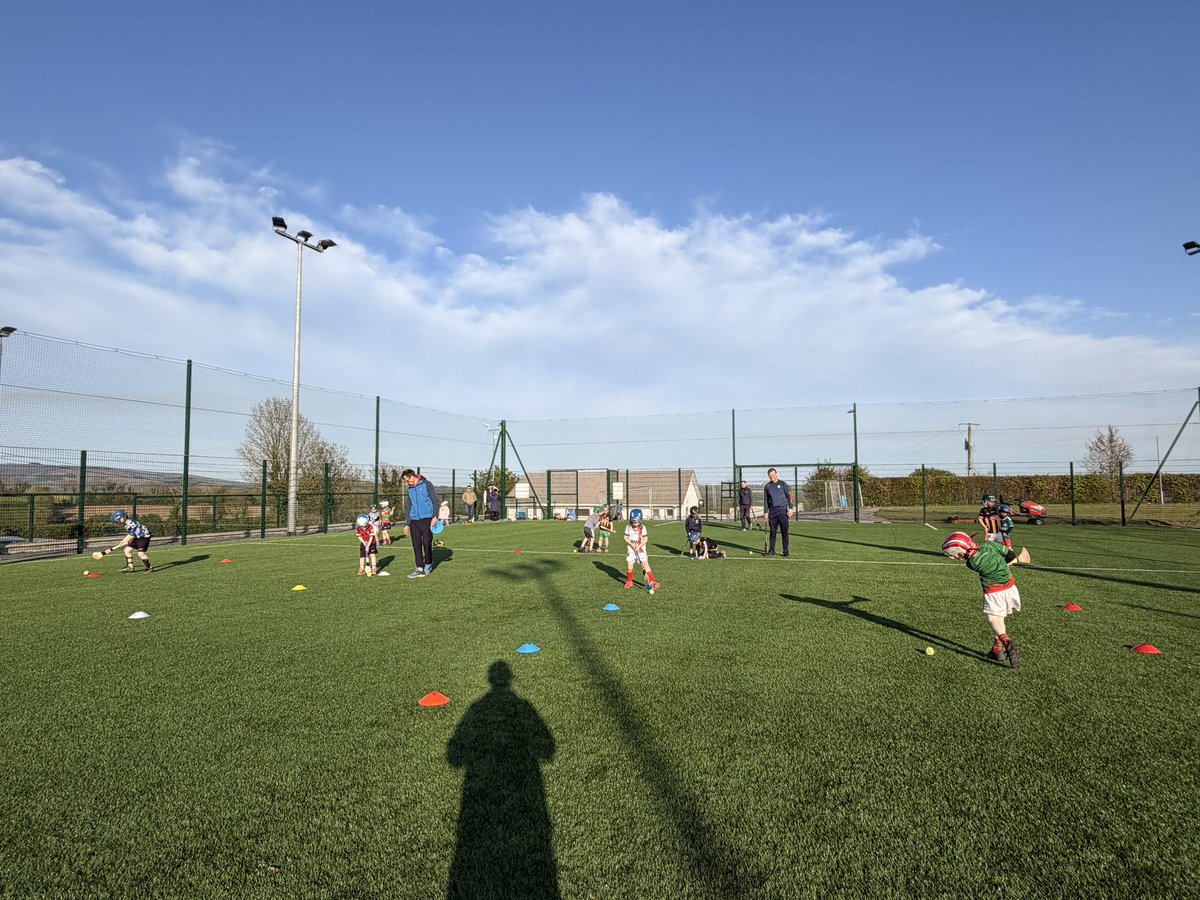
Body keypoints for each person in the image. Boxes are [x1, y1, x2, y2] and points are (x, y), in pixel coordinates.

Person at [941, 531, 1031, 668]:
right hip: (1011, 586)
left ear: (960, 551)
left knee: (993, 620)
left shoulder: (972, 563)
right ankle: (997, 650)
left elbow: (975, 558)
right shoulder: (989, 544)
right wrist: (1006, 563)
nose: (954, 557)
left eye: (953, 554)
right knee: (1000, 619)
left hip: (994, 592)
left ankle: (1008, 643)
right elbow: (1010, 555)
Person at [402, 468, 440, 578]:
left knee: (427, 543)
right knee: (416, 545)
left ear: (412, 476)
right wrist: (407, 523)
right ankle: (419, 568)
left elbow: (435, 501)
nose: (406, 482)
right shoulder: (409, 489)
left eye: (406, 479)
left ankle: (428, 563)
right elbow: (408, 507)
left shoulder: (427, 484)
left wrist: (435, 516)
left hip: (427, 519)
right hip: (414, 521)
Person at [623, 508, 660, 590]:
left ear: (640, 520)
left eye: (637, 522)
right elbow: (625, 537)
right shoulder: (628, 527)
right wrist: (632, 544)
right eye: (633, 522)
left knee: (645, 565)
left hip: (641, 550)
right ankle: (629, 581)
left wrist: (639, 546)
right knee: (630, 567)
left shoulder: (643, 528)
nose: (635, 524)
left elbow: (645, 539)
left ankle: (652, 582)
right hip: (631, 550)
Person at [761, 468, 794, 557]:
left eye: (773, 475)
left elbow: (790, 496)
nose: (772, 477)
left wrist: (790, 508)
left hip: (783, 511)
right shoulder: (767, 486)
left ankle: (785, 551)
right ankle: (772, 551)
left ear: (777, 474)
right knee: (773, 532)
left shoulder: (783, 484)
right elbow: (766, 501)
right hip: (772, 512)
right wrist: (765, 512)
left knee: (785, 532)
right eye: (770, 476)